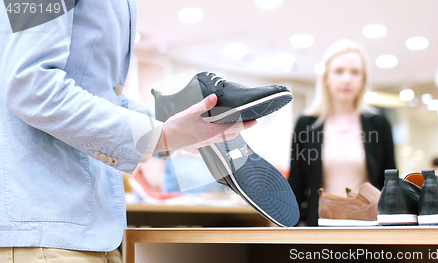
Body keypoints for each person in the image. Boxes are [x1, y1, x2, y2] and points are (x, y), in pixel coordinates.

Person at [0, 1, 255, 262]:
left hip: (94, 232)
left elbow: (105, 97)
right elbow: (30, 84)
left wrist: (176, 127)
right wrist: (160, 135)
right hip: (46, 232)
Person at [288, 39, 396, 226]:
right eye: (339, 71)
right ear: (326, 78)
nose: (347, 79)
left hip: (369, 228)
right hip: (320, 226)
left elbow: (390, 185)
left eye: (355, 72)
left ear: (363, 80)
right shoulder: (306, 125)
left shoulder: (379, 124)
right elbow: (296, 185)